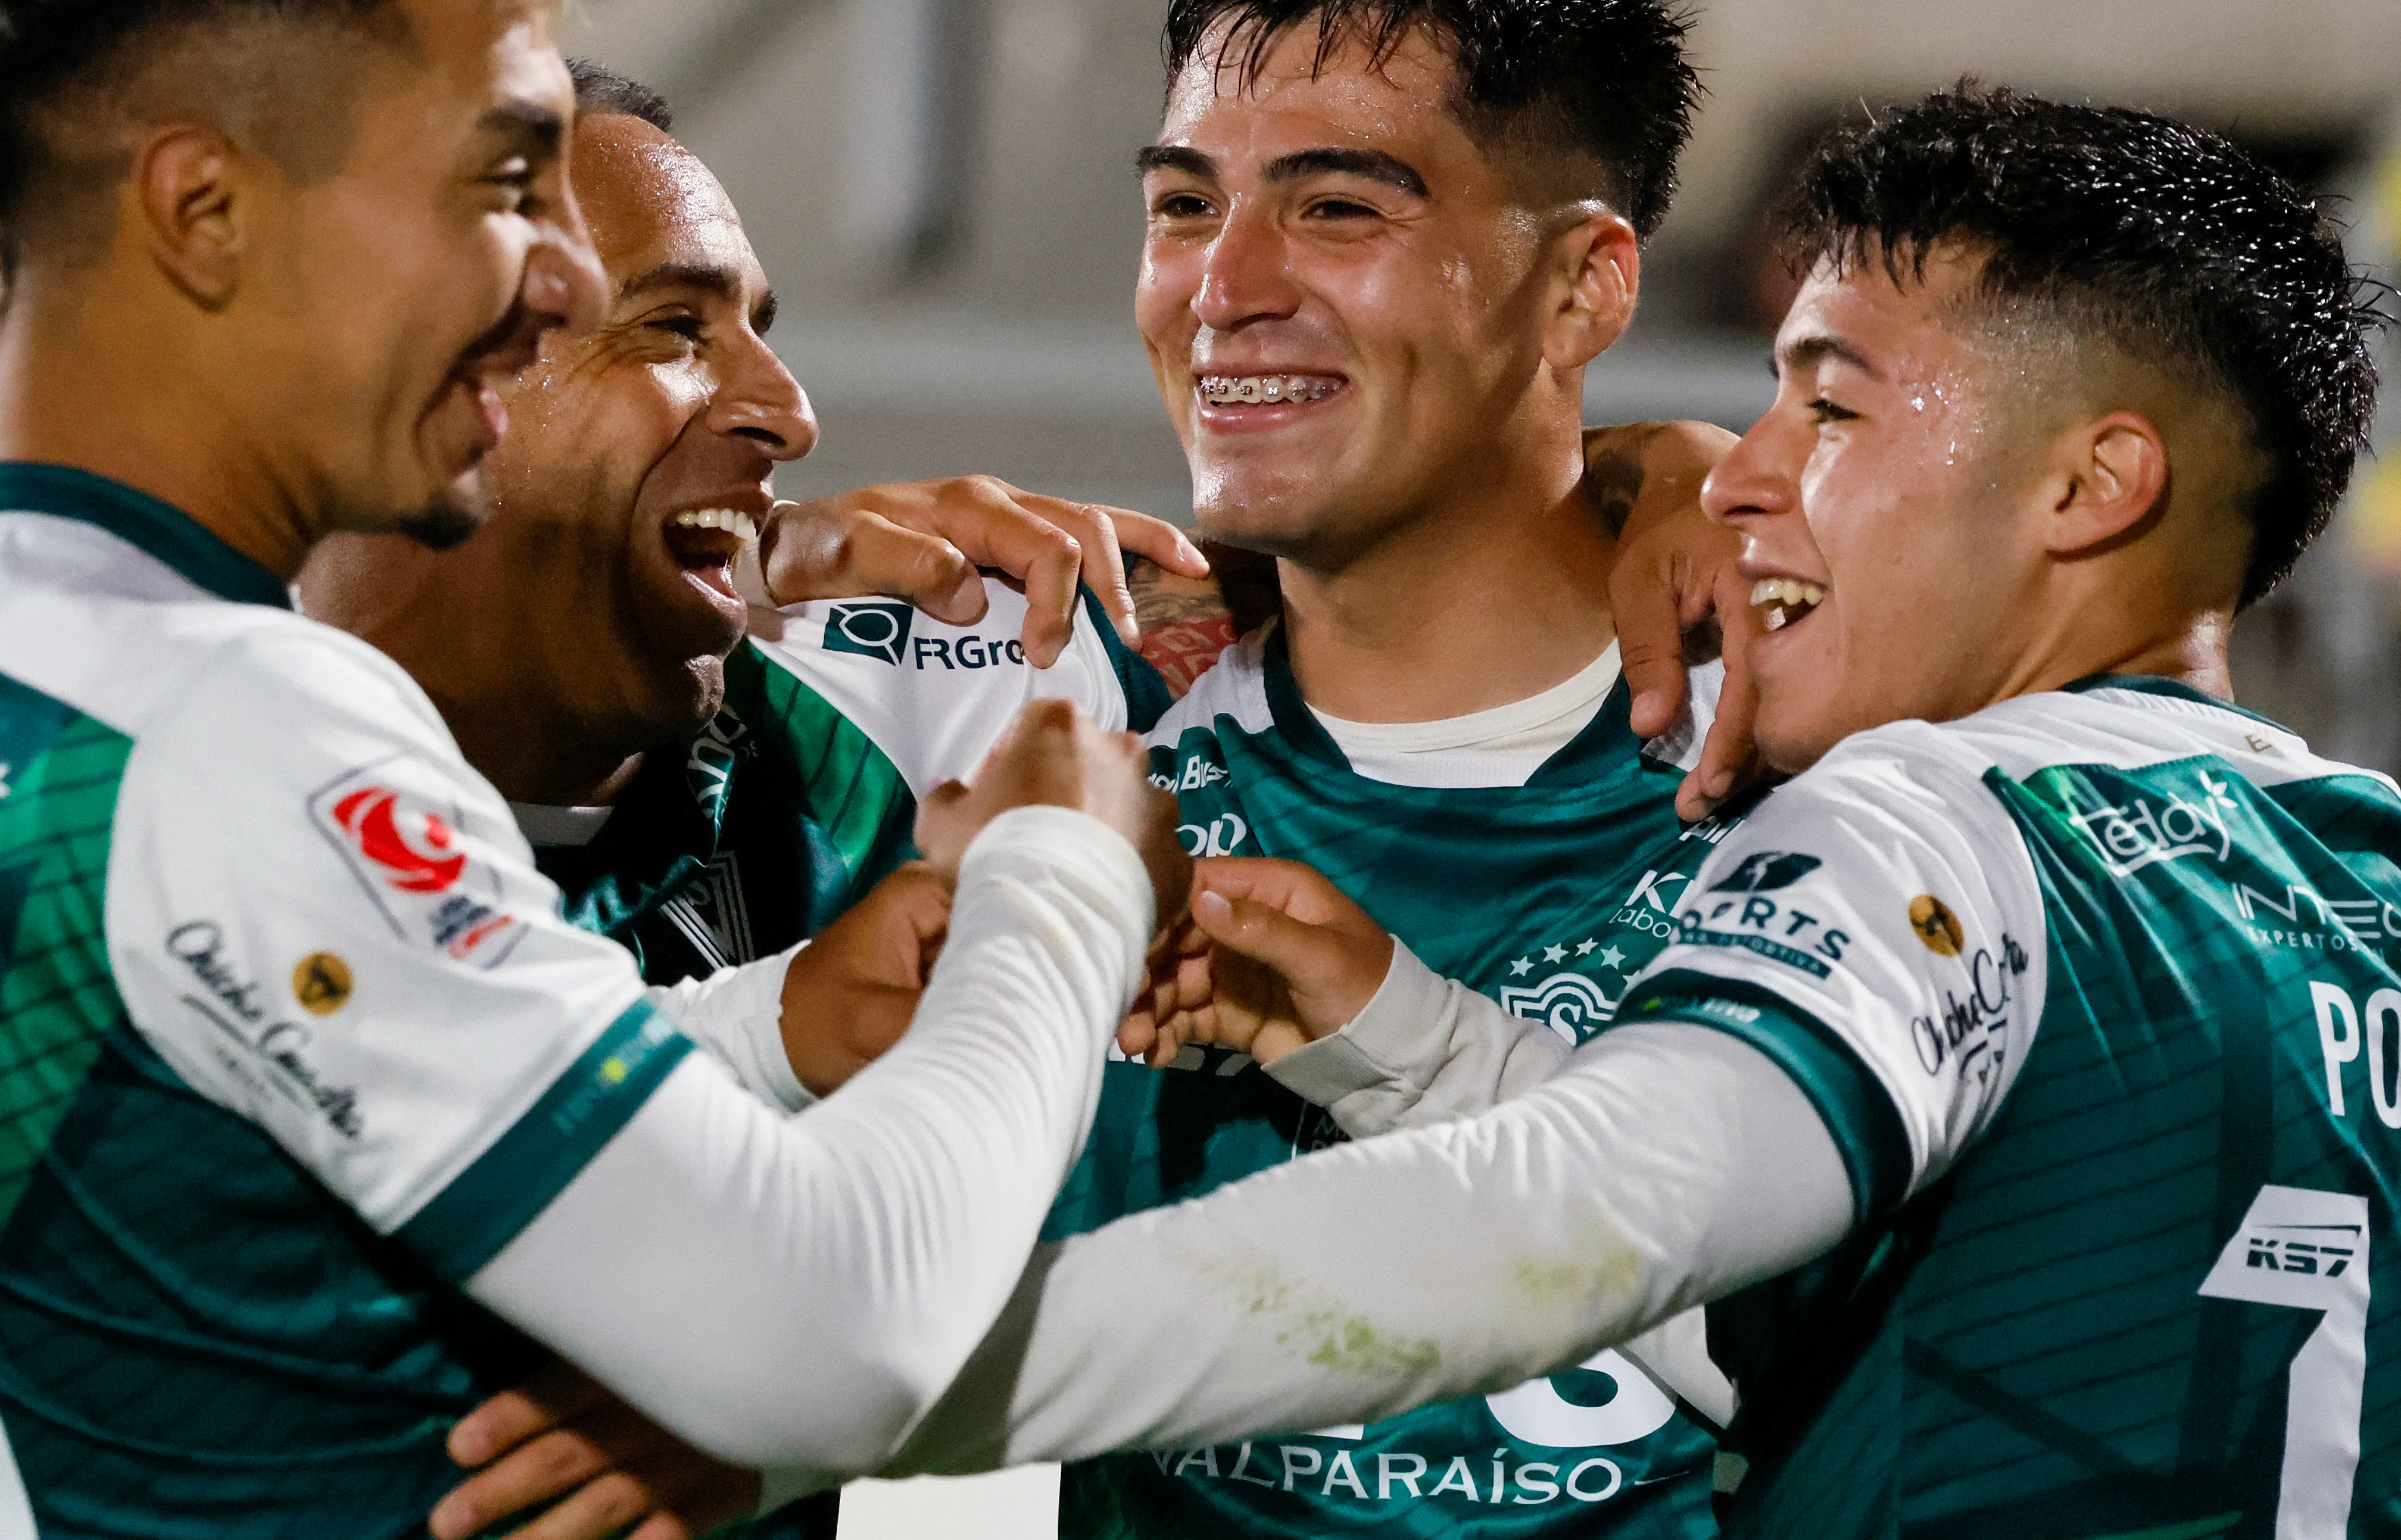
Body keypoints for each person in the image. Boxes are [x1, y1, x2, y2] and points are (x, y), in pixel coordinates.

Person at [0, 0, 1186, 1540]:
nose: (545, 274)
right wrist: (1058, 893)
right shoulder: (232, 738)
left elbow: (247, 1066)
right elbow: (827, 1332)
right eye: (494, 182)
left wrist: (772, 1022)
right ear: (203, 207)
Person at [861, 86, 2397, 1538]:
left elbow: (1577, 1228)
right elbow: (1807, 1315)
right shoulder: (2363, 864)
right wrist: (1414, 1043)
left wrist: (842, 1383)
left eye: (1834, 410)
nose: (1740, 476)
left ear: (2090, 487)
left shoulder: (1942, 820)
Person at [441, 0, 1757, 1540]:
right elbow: (443, 630)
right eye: (1185, 205)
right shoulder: (1024, 707)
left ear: (1581, 288)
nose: (1225, 287)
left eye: (1340, 207)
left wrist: (1687, 479)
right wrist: (779, 549)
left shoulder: (1817, 748)